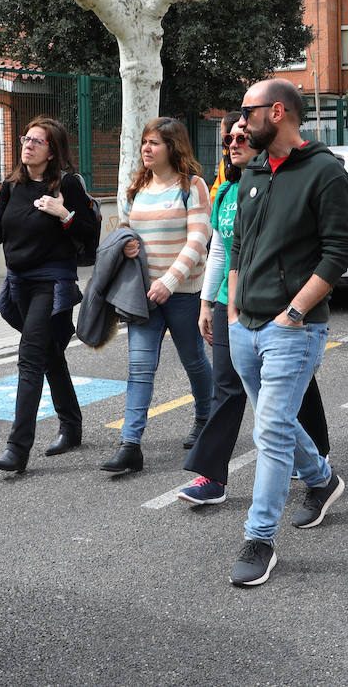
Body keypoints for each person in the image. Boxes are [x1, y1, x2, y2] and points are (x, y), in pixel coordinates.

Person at [226, 79, 348, 587]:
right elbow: (238, 246)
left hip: (293, 329)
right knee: (274, 422)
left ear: (277, 113)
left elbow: (339, 252)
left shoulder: (326, 173)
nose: (240, 122)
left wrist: (295, 313)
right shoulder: (252, 171)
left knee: (270, 430)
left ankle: (259, 538)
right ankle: (323, 482)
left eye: (247, 112)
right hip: (245, 323)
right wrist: (234, 311)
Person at [178, 114, 330, 507]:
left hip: (283, 309)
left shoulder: (288, 183)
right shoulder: (227, 192)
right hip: (235, 307)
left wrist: (295, 310)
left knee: (293, 393)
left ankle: (316, 459)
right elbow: (220, 251)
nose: (233, 143)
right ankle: (212, 475)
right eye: (228, 137)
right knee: (228, 388)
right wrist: (208, 303)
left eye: (242, 136)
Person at [0, 116, 98, 474]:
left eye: (37, 141)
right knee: (49, 355)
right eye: (26, 138)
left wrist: (63, 213)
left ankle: (17, 450)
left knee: (30, 358)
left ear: (52, 152)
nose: (28, 144)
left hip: (52, 285)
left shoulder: (66, 185)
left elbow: (91, 235)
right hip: (19, 283)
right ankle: (71, 425)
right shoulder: (13, 184)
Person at [101, 118, 214, 475]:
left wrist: (170, 280)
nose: (146, 149)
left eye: (154, 143)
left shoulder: (192, 186)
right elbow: (127, 230)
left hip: (183, 293)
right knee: (139, 369)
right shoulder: (137, 187)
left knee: (194, 360)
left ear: (173, 147)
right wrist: (128, 244)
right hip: (144, 297)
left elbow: (199, 240)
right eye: (144, 143)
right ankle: (130, 445)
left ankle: (205, 418)